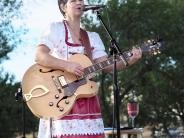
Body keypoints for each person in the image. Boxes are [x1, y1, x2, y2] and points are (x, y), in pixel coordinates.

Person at [35, 0, 142, 138]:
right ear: (63, 7)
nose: (79, 2)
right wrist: (67, 65)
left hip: (87, 101)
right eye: (73, 0)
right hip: (60, 99)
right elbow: (39, 55)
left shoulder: (92, 37)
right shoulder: (55, 29)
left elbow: (107, 65)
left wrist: (129, 60)